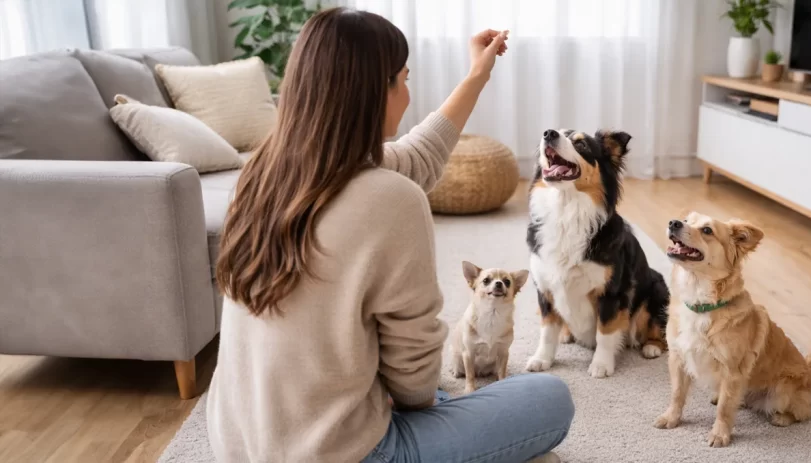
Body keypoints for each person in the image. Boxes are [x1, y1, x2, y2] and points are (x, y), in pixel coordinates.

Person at [207, 6, 574, 463]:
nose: (407, 93)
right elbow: (415, 378)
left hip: (239, 444)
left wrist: (478, 74)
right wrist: (416, 399)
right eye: (403, 79)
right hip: (342, 452)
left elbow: (418, 155)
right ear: (372, 93)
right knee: (548, 398)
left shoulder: (264, 174)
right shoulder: (392, 198)